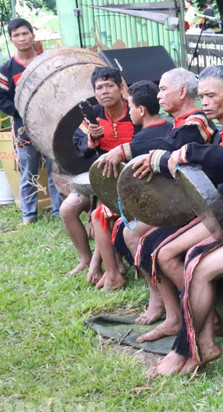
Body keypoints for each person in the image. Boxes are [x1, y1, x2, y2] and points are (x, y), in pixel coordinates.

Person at [132, 65, 223, 344]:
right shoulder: (222, 129)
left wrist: (185, 153)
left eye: (211, 95)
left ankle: (204, 325)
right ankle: (178, 318)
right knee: (153, 245)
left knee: (169, 253)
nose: (204, 101)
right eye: (202, 95)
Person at [100, 67, 214, 325]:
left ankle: (186, 312)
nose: (158, 95)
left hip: (197, 207)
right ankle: (163, 303)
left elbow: (170, 148)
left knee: (137, 234)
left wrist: (126, 149)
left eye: (163, 89)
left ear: (182, 92)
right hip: (183, 204)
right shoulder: (180, 123)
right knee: (127, 228)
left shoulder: (197, 123)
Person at [88, 80, 172, 291]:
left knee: (100, 214)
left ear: (141, 110)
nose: (129, 112)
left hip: (154, 202)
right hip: (168, 196)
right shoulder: (171, 128)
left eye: (131, 108)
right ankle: (110, 267)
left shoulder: (139, 141)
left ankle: (114, 273)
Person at [67, 67, 137, 286]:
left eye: (109, 86)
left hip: (130, 181)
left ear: (121, 88)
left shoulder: (134, 113)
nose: (105, 91)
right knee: (67, 209)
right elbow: (80, 150)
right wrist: (90, 141)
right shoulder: (93, 116)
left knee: (100, 213)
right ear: (94, 93)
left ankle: (108, 265)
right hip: (100, 180)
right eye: (99, 88)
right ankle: (86, 260)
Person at [0, 18, 63, 228]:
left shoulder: (46, 61)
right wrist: (21, 112)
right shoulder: (7, 68)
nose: (21, 38)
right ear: (11, 39)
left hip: (51, 125)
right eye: (16, 35)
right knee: (28, 171)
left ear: (33, 35)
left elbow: (59, 87)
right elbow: (0, 97)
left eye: (25, 33)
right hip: (24, 128)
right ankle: (28, 215)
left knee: (55, 169)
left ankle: (59, 211)